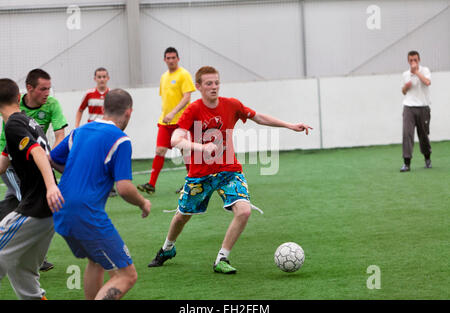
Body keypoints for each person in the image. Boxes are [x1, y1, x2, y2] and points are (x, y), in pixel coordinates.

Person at [147, 66, 312, 274]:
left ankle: (222, 259)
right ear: (198, 86)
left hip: (229, 171)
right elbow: (175, 139)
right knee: (182, 215)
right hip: (200, 175)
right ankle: (167, 248)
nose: (214, 87)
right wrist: (201, 147)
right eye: (208, 83)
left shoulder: (231, 105)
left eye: (216, 82)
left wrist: (289, 125)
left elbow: (258, 117)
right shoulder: (193, 110)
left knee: (244, 210)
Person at [50, 88, 151, 300]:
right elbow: (124, 188)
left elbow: (52, 158)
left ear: (104, 109)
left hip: (61, 208)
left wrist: (73, 173)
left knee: (96, 261)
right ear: (129, 112)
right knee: (127, 275)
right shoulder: (121, 140)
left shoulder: (81, 131)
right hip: (85, 212)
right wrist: (143, 203)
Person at [0, 78, 64, 300]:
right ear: (19, 98)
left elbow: (36, 152)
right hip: (49, 214)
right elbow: (3, 163)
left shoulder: (13, 125)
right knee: (22, 272)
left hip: (35, 208)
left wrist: (50, 188)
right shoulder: (27, 121)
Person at [137, 47, 195, 194]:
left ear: (178, 59)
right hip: (165, 122)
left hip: (181, 121)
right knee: (160, 150)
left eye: (173, 58)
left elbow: (187, 97)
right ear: (164, 60)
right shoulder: (164, 77)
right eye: (168, 58)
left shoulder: (184, 74)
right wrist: (166, 114)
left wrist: (174, 112)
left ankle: (191, 183)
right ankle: (151, 184)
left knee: (185, 152)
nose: (171, 60)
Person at [74, 67, 117, 197]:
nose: (102, 79)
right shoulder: (89, 94)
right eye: (99, 77)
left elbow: (116, 113)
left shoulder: (112, 94)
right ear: (95, 79)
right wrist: (77, 126)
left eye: (104, 77)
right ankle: (91, 185)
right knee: (92, 158)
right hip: (91, 132)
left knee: (108, 158)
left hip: (107, 131)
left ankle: (110, 187)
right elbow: (80, 110)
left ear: (108, 78)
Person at [400, 50, 432, 172]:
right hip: (408, 107)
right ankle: (406, 163)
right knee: (407, 134)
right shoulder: (405, 74)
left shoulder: (425, 71)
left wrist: (416, 72)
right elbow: (403, 91)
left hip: (423, 107)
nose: (413, 62)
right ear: (408, 61)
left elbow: (428, 82)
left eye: (415, 60)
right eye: (411, 60)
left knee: (423, 135)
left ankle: (427, 158)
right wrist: (405, 87)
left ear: (419, 60)